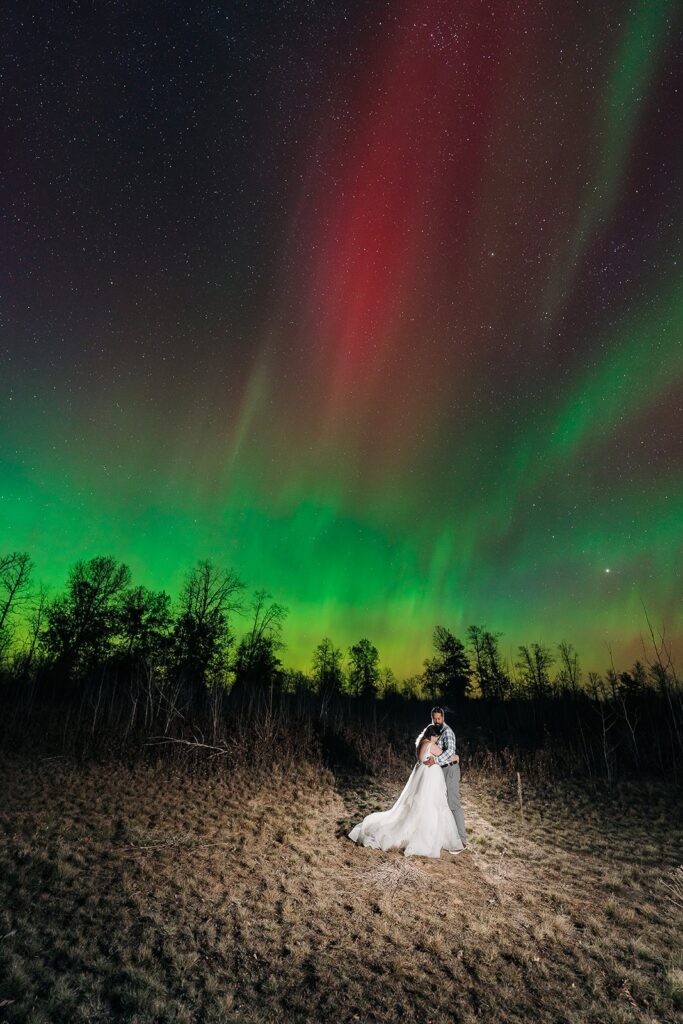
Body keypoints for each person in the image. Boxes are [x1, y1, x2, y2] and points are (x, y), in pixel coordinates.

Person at [347, 725, 464, 858]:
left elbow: (421, 759)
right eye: (437, 736)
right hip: (429, 777)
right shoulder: (431, 745)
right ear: (432, 735)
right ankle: (427, 835)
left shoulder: (421, 742)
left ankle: (418, 830)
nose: (437, 739)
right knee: (431, 804)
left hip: (421, 774)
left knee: (419, 803)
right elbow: (445, 755)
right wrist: (456, 757)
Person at [418, 706, 468, 848]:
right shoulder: (434, 731)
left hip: (450, 769)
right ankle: (448, 836)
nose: (436, 721)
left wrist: (437, 761)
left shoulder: (447, 732)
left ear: (443, 717)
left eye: (439, 718)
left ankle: (462, 840)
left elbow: (450, 751)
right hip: (441, 770)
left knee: (453, 804)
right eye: (434, 718)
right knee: (442, 803)